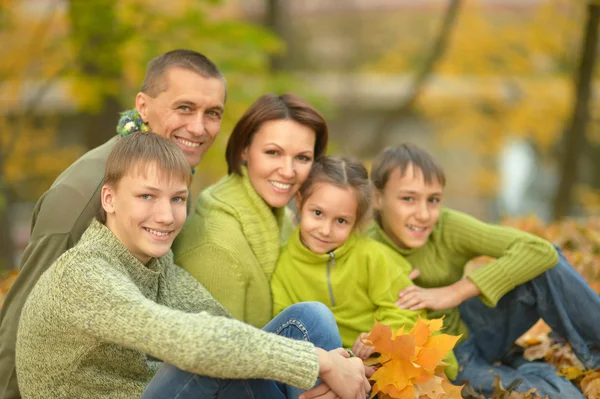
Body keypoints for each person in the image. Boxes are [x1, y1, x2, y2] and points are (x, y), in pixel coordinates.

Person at [15, 132, 371, 399]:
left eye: (178, 199)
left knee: (309, 318)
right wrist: (322, 363)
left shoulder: (156, 262)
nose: (166, 216)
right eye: (146, 196)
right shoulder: (85, 274)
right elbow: (194, 340)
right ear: (109, 198)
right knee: (208, 355)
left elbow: (223, 327)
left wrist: (343, 363)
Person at [0, 49, 227, 398]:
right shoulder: (80, 195)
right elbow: (22, 324)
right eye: (184, 108)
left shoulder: (173, 179)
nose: (198, 127)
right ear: (143, 106)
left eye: (212, 113)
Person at [366, 143, 600, 398]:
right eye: (408, 198)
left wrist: (456, 291)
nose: (423, 214)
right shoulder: (365, 251)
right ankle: (531, 371)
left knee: (545, 266)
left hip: (476, 326)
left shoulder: (446, 226)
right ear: (377, 198)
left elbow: (541, 250)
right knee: (556, 395)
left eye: (433, 200)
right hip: (448, 361)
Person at [270, 156, 458, 379]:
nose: (325, 229)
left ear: (356, 221)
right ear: (300, 202)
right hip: (327, 366)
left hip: (386, 364)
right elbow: (289, 327)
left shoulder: (374, 257)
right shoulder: (283, 265)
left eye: (341, 221)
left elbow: (405, 313)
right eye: (318, 213)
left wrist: (378, 337)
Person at [173, 93, 328, 329]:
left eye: (302, 158)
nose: (288, 171)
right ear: (245, 149)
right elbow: (220, 357)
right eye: (273, 152)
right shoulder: (216, 247)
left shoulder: (284, 218)